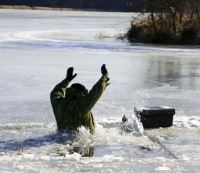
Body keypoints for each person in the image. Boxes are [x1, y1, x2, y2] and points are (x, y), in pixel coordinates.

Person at [50, 64, 110, 135]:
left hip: (62, 140)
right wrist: (105, 76)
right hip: (82, 141)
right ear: (81, 93)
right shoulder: (83, 105)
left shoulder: (58, 104)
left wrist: (67, 80)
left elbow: (55, 92)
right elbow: (96, 91)